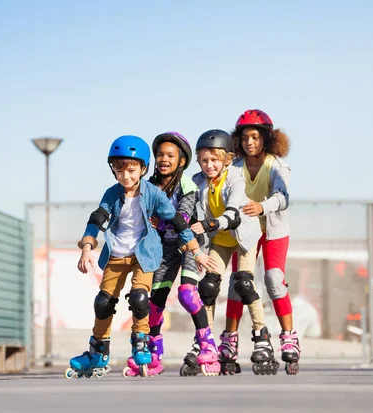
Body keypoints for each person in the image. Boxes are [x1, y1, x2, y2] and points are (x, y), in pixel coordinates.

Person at [65, 135, 216, 379]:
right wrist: (87, 247)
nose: (126, 176)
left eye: (132, 170)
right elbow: (97, 219)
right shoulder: (112, 194)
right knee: (103, 303)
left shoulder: (154, 193)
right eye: (119, 169)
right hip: (116, 255)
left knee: (140, 298)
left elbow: (177, 220)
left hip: (144, 255)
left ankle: (142, 343)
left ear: (143, 169)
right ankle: (98, 351)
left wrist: (196, 251)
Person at [121, 132, 221, 377]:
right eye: (160, 155)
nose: (163, 159)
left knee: (187, 294)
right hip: (163, 248)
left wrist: (160, 221)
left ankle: (208, 345)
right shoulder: (148, 185)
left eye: (170, 155)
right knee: (154, 302)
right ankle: (154, 353)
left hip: (188, 243)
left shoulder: (186, 185)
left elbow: (183, 218)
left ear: (182, 161)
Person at [191, 129, 279, 375]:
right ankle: (206, 342)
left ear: (227, 160)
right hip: (219, 239)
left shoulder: (235, 178)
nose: (209, 165)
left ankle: (261, 335)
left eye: (215, 160)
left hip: (243, 237)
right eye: (204, 160)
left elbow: (232, 212)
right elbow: (185, 208)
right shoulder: (197, 181)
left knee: (244, 283)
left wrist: (209, 224)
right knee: (207, 287)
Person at [230, 109, 300, 374]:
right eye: (246, 138)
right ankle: (230, 342)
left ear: (267, 140)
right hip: (246, 231)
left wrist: (262, 207)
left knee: (272, 278)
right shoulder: (234, 166)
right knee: (239, 281)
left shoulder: (277, 166)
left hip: (273, 230)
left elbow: (283, 197)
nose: (250, 143)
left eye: (256, 137)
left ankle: (289, 338)